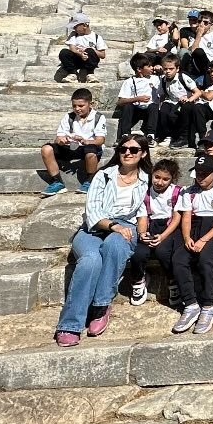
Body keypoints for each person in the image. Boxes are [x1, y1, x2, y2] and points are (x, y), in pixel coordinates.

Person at [55, 134, 150, 346]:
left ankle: (101, 305)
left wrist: (141, 233)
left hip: (126, 228)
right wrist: (113, 225)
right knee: (90, 261)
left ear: (143, 154)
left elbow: (143, 212)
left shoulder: (146, 180)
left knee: (115, 245)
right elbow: (92, 211)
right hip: (95, 227)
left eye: (134, 150)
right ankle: (70, 324)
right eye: (123, 149)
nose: (127, 153)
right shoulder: (103, 175)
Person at [169, 153, 213, 334]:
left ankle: (208, 305)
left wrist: (204, 240)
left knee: (205, 259)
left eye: (205, 174)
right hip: (195, 228)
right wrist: (187, 237)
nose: (201, 177)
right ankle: (190, 304)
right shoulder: (189, 192)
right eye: (198, 173)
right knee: (179, 258)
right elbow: (186, 217)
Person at [129, 157, 183, 307]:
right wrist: (142, 233)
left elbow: (177, 218)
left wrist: (163, 236)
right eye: (157, 177)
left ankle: (172, 280)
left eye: (165, 179)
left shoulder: (177, 192)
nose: (160, 182)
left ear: (172, 179)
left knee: (163, 252)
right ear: (152, 174)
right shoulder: (145, 193)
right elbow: (142, 217)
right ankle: (139, 279)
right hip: (151, 226)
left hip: (169, 228)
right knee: (138, 253)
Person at [42, 89, 109, 195]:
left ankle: (89, 181)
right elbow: (58, 137)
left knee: (90, 151)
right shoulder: (69, 117)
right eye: (74, 106)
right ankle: (57, 182)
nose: (77, 109)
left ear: (90, 104)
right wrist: (62, 140)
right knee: (46, 149)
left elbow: (100, 140)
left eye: (81, 106)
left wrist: (85, 141)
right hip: (71, 146)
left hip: (88, 147)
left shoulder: (98, 117)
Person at [157, 55, 197, 147]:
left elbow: (197, 92)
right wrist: (160, 105)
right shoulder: (163, 80)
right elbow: (162, 94)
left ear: (177, 69)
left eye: (171, 69)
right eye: (165, 69)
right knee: (163, 111)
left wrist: (188, 99)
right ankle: (168, 136)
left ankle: (182, 137)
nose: (168, 71)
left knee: (174, 115)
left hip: (185, 102)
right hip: (172, 101)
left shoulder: (183, 77)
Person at [57, 17, 107, 83]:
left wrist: (89, 50)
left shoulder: (97, 37)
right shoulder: (74, 35)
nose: (74, 28)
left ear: (85, 26)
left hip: (89, 60)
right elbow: (72, 47)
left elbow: (102, 55)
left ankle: (90, 74)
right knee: (64, 52)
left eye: (76, 26)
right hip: (76, 59)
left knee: (89, 50)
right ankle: (72, 73)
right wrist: (80, 54)